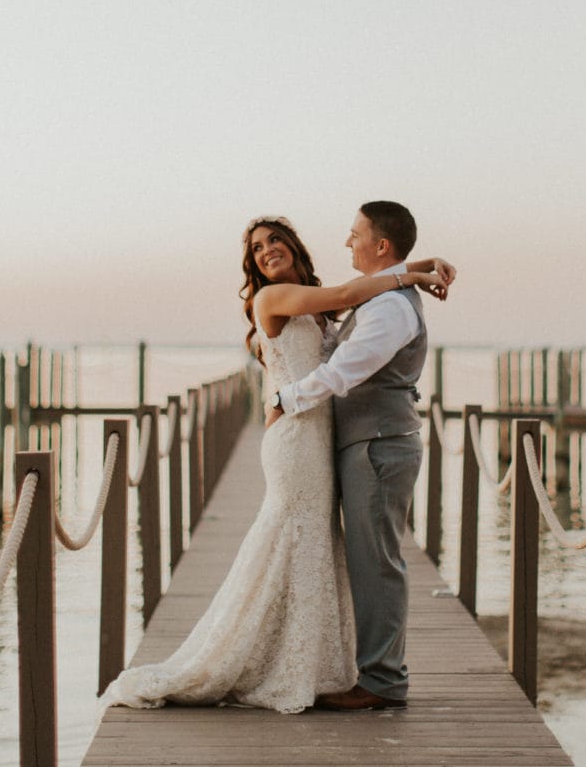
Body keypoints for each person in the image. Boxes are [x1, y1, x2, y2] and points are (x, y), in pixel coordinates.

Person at [101, 214, 449, 715]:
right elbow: (349, 294)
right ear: (252, 264)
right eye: (258, 247)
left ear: (292, 245)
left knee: (313, 544)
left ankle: (302, 658)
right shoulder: (271, 299)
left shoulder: (311, 298)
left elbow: (349, 293)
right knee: (292, 534)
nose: (267, 250)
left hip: (321, 434)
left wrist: (414, 266)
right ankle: (263, 657)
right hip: (294, 434)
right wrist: (413, 271)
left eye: (275, 240)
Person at [265, 201, 455, 711]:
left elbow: (345, 370)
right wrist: (418, 268)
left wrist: (284, 401)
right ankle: (372, 671)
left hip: (377, 446)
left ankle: (382, 682)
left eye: (354, 235)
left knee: (377, 565)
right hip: (367, 443)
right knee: (370, 561)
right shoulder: (382, 298)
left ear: (381, 245)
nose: (348, 242)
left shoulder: (390, 308)